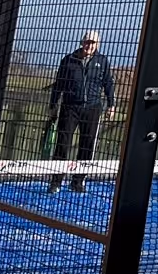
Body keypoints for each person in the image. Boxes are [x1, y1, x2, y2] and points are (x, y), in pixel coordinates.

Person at [47, 30, 115, 194]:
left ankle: (78, 181)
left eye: (93, 43)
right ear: (81, 42)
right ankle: (56, 182)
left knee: (87, 145)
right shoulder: (68, 60)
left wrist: (111, 105)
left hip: (92, 108)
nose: (89, 45)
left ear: (97, 44)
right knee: (63, 144)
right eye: (87, 42)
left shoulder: (102, 61)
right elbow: (59, 84)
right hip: (70, 107)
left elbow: (108, 83)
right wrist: (53, 105)